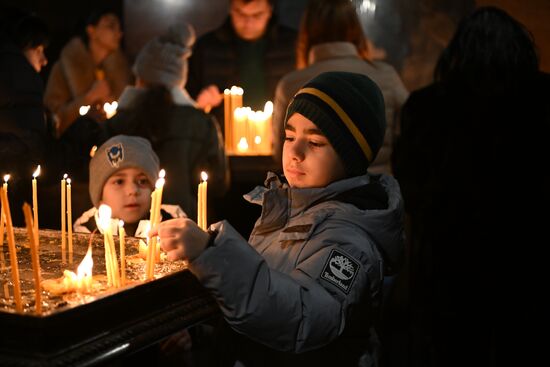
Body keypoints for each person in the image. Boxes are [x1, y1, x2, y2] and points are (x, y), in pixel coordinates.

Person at [151, 71, 405, 366]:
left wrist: (212, 253)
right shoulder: (288, 208)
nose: (295, 152)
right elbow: (258, 300)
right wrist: (204, 332)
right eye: (289, 136)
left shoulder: (349, 240)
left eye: (316, 142)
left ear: (350, 157)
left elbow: (302, 318)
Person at [391, 6, 550, 367]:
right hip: (531, 256)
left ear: (457, 49)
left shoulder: (427, 105)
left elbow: (411, 185)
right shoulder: (543, 99)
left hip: (450, 261)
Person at [104, 23, 229, 223]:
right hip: (186, 224)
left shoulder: (118, 122)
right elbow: (219, 183)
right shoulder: (201, 122)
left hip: (131, 227)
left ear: (141, 78)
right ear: (178, 80)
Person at [272, 0, 408, 174]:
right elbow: (415, 128)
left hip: (317, 194)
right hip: (379, 191)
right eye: (290, 138)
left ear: (306, 32)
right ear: (355, 28)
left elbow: (279, 153)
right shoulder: (386, 75)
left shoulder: (291, 83)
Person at [187, 0, 296, 117]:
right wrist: (199, 105)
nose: (248, 23)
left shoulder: (294, 45)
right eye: (240, 14)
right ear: (230, 9)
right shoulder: (206, 47)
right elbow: (185, 103)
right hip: (223, 133)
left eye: (257, 15)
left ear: (270, 10)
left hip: (280, 132)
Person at [43, 7, 132, 136]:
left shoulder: (120, 70)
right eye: (111, 26)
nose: (118, 33)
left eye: (119, 28)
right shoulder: (64, 68)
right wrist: (89, 97)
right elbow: (53, 118)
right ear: (92, 31)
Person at [74, 135, 185, 237]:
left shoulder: (172, 221)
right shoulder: (86, 229)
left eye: (142, 181)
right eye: (119, 182)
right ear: (100, 195)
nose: (132, 190)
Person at [0, 7, 50, 227]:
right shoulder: (21, 88)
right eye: (39, 50)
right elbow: (36, 152)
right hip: (15, 207)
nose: (45, 60)